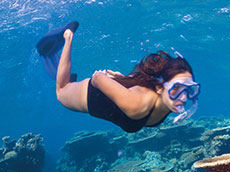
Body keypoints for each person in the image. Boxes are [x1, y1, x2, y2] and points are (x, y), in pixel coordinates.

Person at [36, 22, 200, 132]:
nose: (184, 97)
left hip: (117, 92)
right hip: (91, 95)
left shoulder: (165, 99)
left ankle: (70, 75)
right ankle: (68, 35)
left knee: (68, 83)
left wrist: (124, 80)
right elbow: (97, 79)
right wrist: (105, 79)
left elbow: (144, 84)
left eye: (189, 89)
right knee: (61, 90)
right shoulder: (137, 105)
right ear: (159, 87)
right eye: (177, 88)